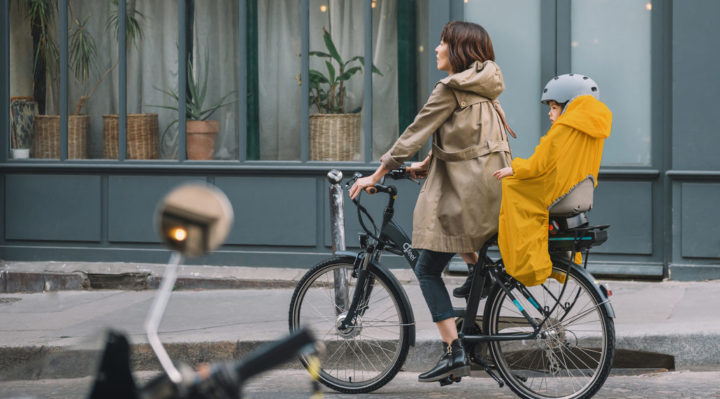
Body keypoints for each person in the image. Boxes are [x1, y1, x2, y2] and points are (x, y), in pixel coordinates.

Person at [349, 21, 512, 383]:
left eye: (442, 44)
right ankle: (478, 282)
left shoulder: (451, 88)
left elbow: (414, 133)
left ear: (458, 50)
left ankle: (454, 352)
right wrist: (424, 165)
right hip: (490, 191)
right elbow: (469, 138)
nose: (437, 49)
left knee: (426, 269)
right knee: (454, 241)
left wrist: (377, 174)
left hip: (467, 195)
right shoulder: (485, 85)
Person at [492, 74, 612, 287]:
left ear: (569, 105)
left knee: (512, 188)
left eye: (554, 107)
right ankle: (558, 264)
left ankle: (529, 266)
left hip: (557, 192)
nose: (550, 113)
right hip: (577, 193)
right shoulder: (593, 126)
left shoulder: (565, 126)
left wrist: (514, 168)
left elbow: (540, 163)